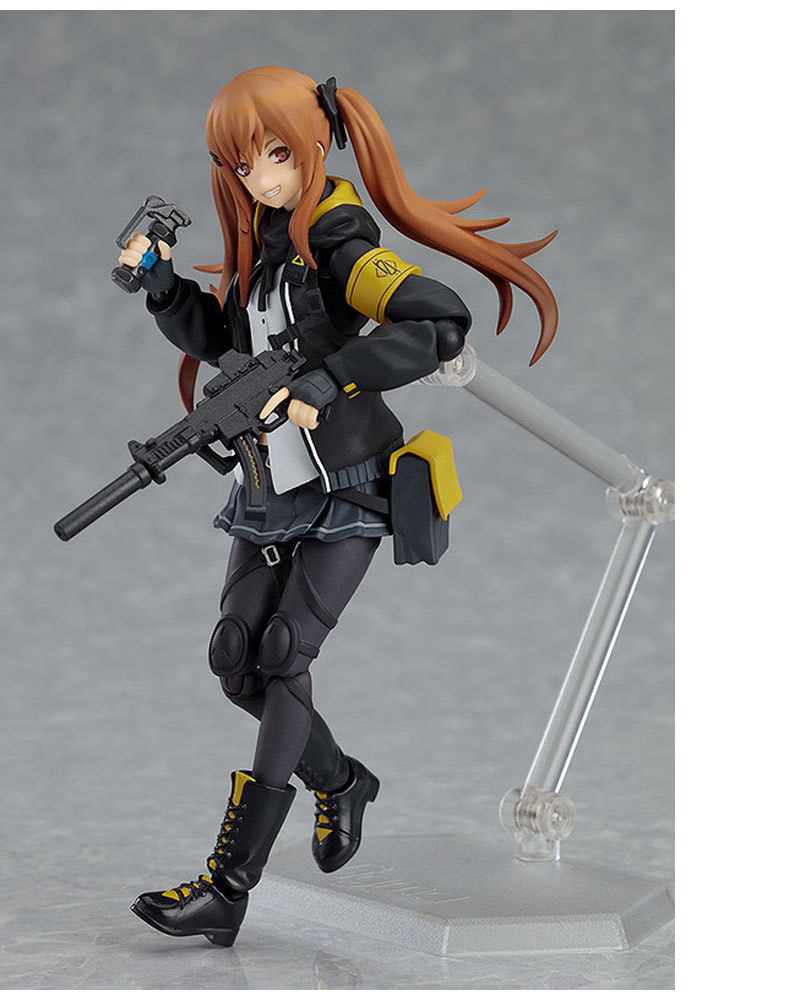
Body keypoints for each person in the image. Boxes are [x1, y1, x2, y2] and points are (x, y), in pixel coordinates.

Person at [120, 66, 558, 947]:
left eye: (275, 155)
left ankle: (228, 886)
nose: (259, 175)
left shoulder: (338, 236)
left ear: (313, 145)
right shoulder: (263, 241)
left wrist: (331, 379)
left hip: (345, 481)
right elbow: (227, 342)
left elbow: (436, 322)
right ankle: (342, 782)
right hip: (266, 482)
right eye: (243, 163)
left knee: (285, 655)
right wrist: (164, 287)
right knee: (236, 659)